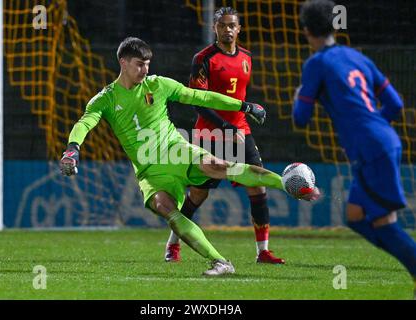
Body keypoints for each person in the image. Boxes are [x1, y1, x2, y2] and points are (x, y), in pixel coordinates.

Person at [60, 37, 315, 276]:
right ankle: (221, 262)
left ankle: (287, 184)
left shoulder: (159, 85)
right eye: (139, 65)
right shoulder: (105, 99)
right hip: (150, 172)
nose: (145, 70)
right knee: (165, 208)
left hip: (177, 152)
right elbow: (85, 123)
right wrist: (73, 149)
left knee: (219, 166)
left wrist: (244, 106)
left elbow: (199, 96)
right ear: (123, 63)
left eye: (147, 64)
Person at [294, 0, 416, 297]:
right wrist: (374, 127)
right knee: (355, 216)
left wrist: (300, 94)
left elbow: (300, 118)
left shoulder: (316, 64)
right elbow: (396, 105)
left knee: (383, 223)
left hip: (371, 148)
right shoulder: (356, 57)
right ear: (334, 26)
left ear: (307, 30)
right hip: (382, 141)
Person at [164, 7, 285, 264]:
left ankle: (262, 251)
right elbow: (198, 102)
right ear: (215, 28)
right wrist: (225, 128)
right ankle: (173, 244)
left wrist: (246, 113)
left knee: (257, 185)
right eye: (222, 25)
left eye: (232, 25)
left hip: (241, 132)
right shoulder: (204, 59)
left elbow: (236, 98)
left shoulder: (247, 57)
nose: (227, 29)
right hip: (210, 134)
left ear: (239, 29)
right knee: (198, 194)